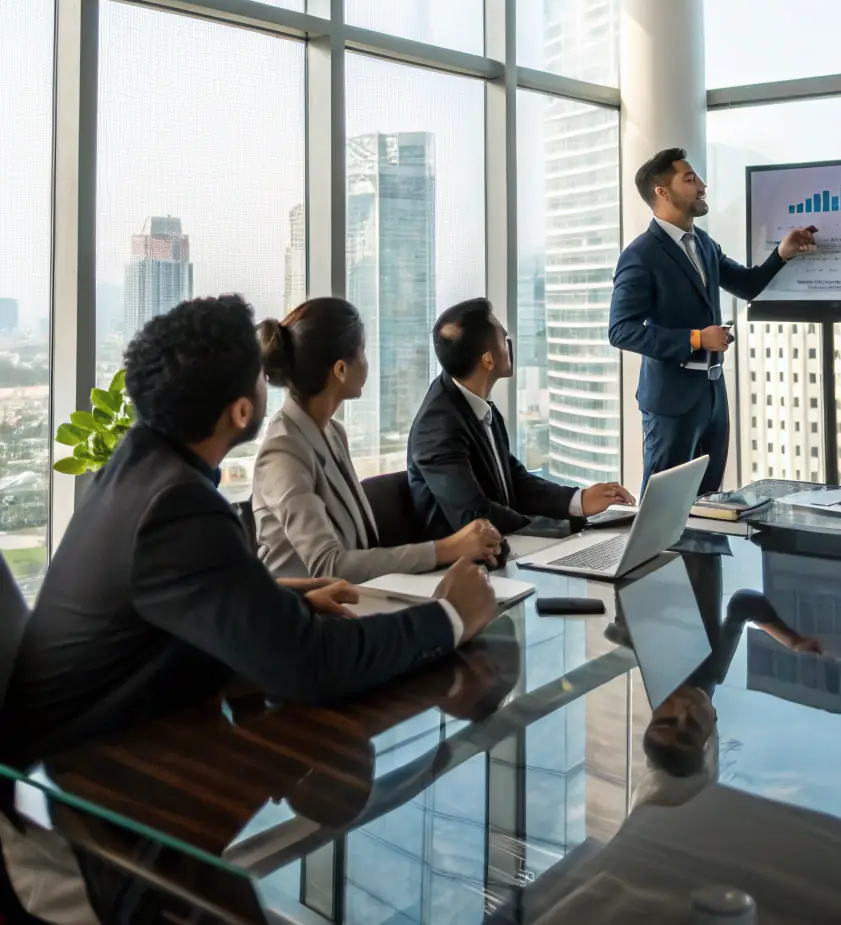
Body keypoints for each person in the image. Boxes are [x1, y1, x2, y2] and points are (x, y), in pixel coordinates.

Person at [0, 295, 497, 773]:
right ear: (240, 412)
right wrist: (449, 616)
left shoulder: (138, 470)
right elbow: (312, 664)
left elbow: (178, 601)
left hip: (105, 755)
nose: (271, 381)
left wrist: (281, 598)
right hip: (74, 791)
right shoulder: (177, 505)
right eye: (260, 377)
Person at [609, 149, 817, 495]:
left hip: (713, 398)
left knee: (709, 505)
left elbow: (746, 284)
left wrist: (782, 253)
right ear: (662, 192)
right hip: (671, 404)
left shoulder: (703, 243)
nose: (702, 186)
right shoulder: (640, 255)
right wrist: (696, 339)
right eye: (690, 179)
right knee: (665, 504)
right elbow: (620, 330)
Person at [253, 297, 503, 582]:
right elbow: (328, 566)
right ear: (340, 370)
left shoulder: (333, 433)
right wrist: (448, 548)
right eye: (362, 350)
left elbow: (361, 550)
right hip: (303, 608)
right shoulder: (283, 450)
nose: (367, 362)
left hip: (357, 597)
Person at [408, 298, 634, 539]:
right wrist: (566, 528)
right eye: (503, 338)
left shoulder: (474, 400)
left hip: (506, 543)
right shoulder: (437, 427)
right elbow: (475, 516)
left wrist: (579, 500)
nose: (509, 343)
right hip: (472, 557)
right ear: (488, 360)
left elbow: (515, 480)